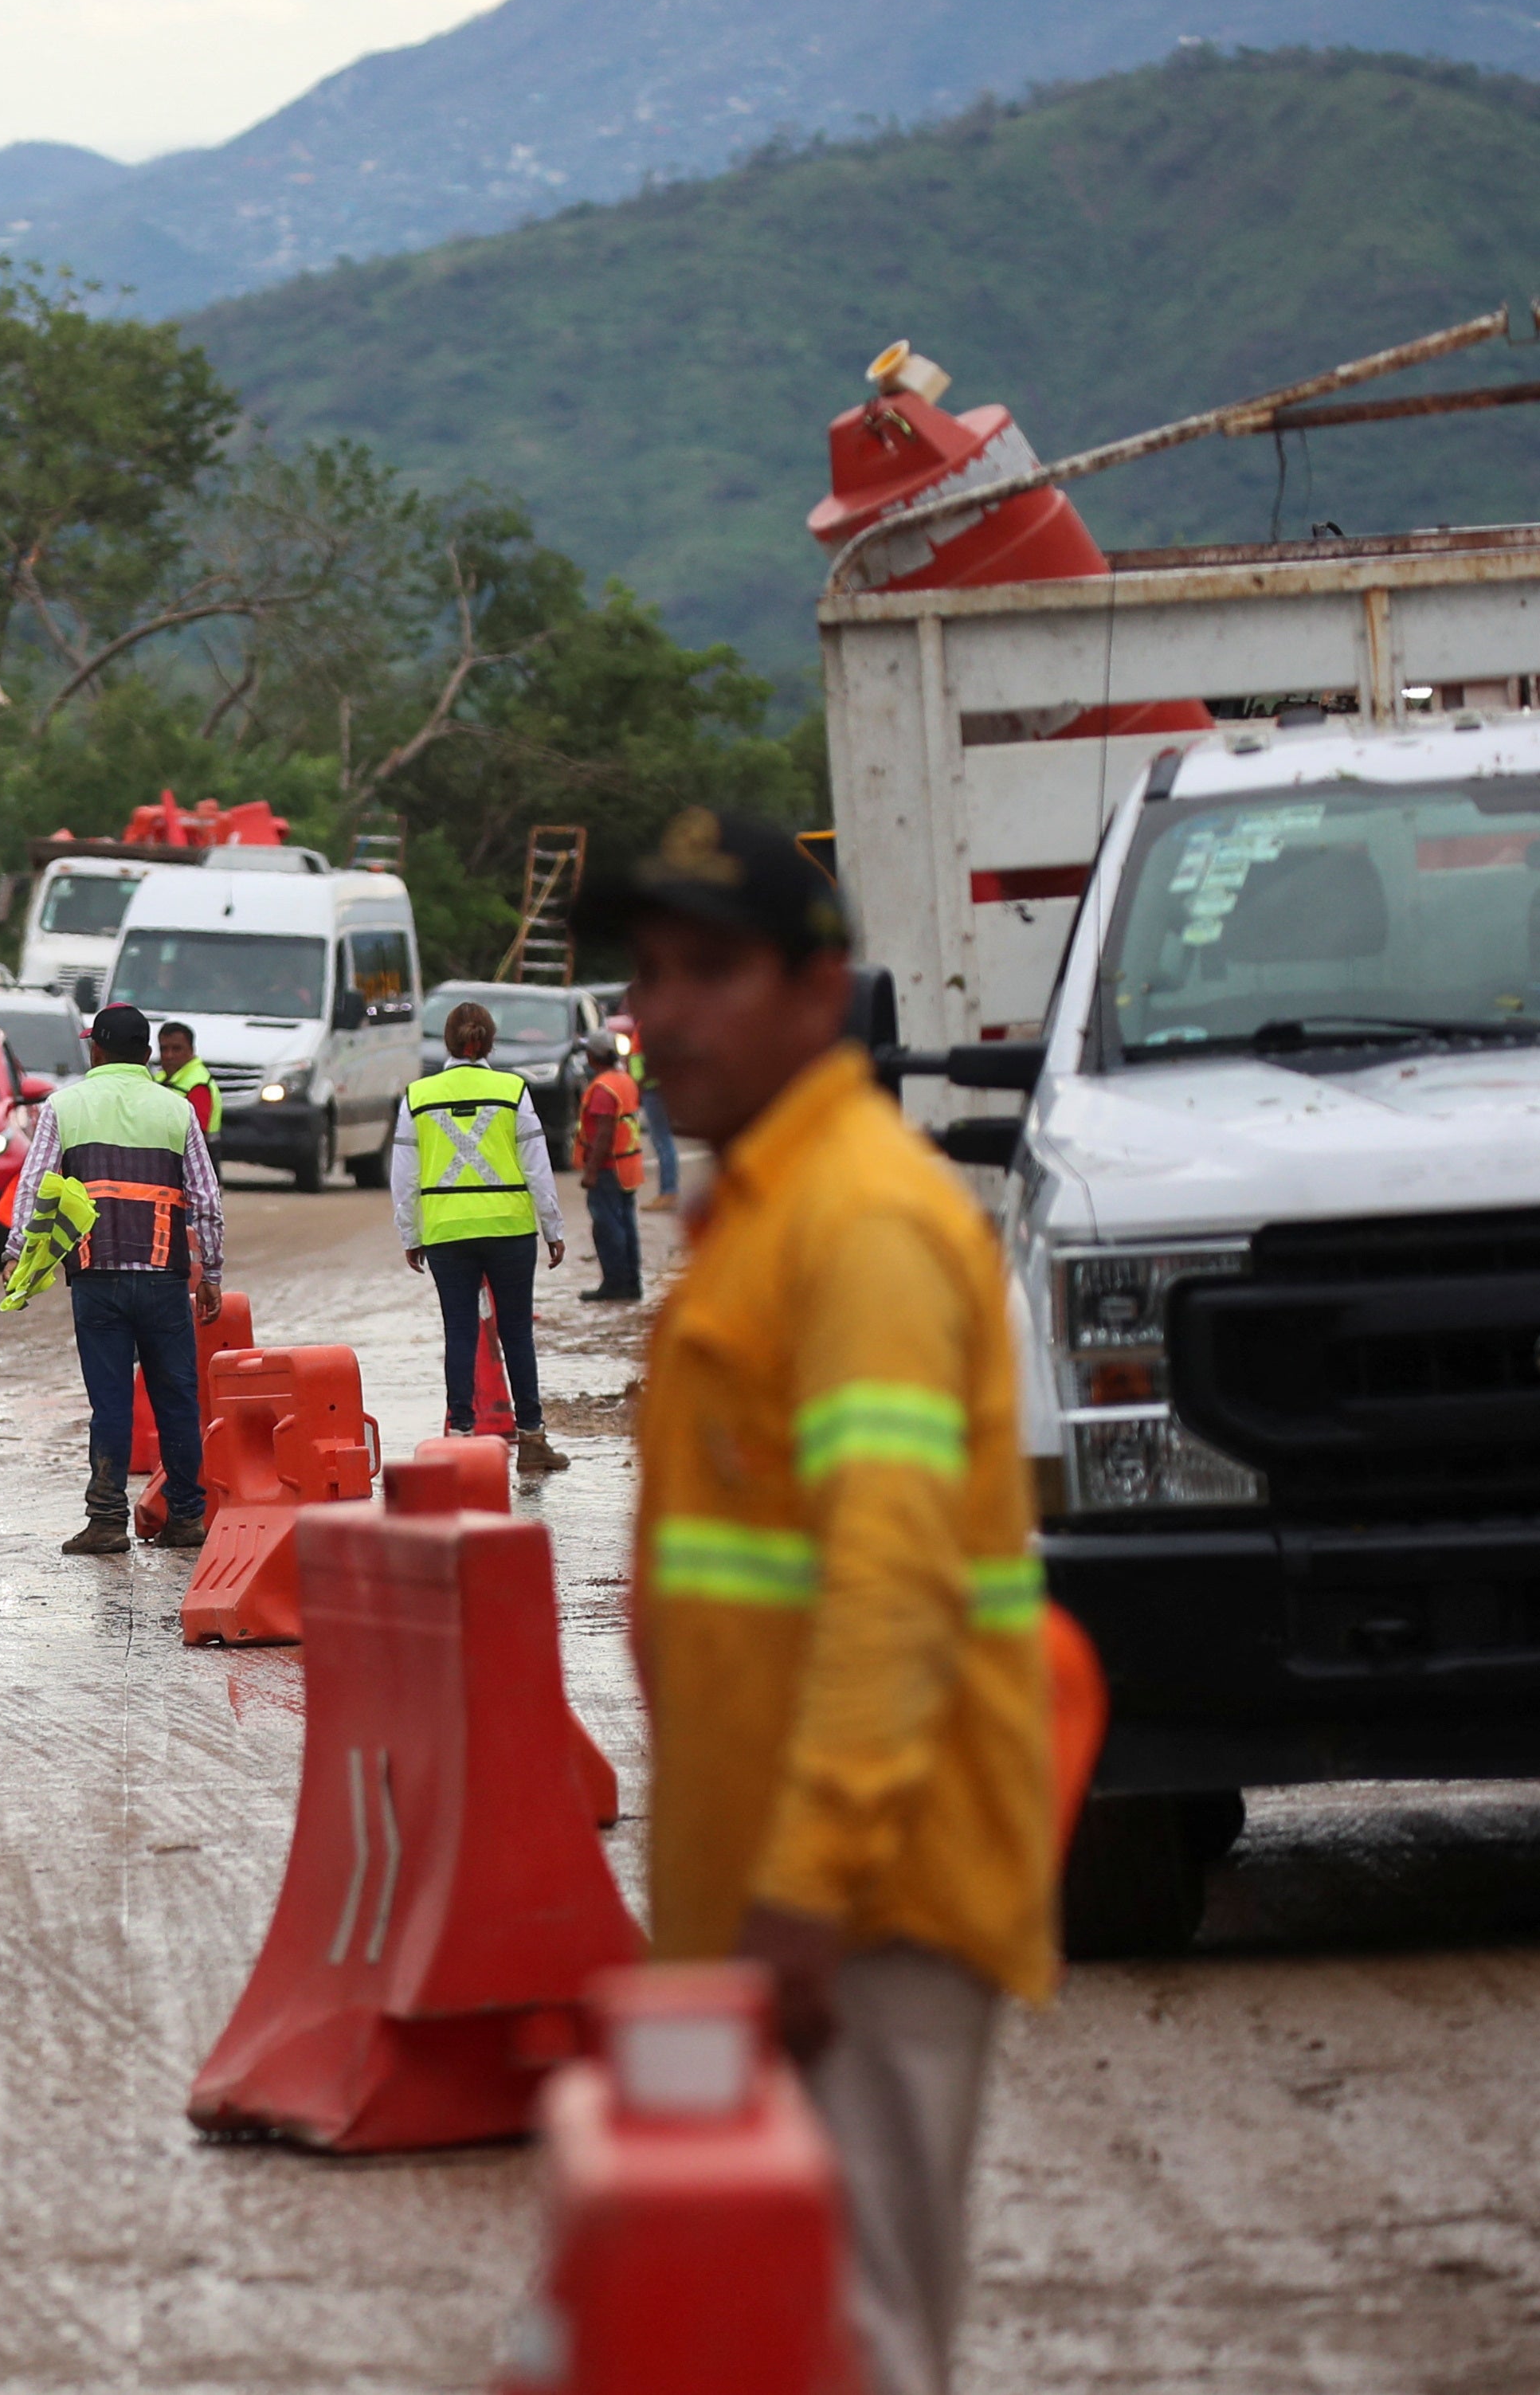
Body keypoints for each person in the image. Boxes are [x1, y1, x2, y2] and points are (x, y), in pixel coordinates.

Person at [621, 804, 1054, 2395]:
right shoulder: (757, 1212)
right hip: (764, 1897)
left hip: (854, 1904)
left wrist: (798, 1887)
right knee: (762, 2330)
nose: (662, 1011)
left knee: (843, 2338)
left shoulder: (858, 1223)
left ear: (820, 994)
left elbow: (891, 1583)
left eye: (711, 969)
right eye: (648, 970)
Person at [1, 1002, 226, 1556]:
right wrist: (212, 1272)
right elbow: (206, 1200)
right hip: (162, 1278)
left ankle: (105, 1520)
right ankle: (187, 1517)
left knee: (109, 1403)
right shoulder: (176, 1110)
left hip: (96, 1278)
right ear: (147, 1054)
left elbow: (33, 1187)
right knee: (176, 1398)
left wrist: (16, 1254)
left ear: (94, 1050)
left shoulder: (64, 1107)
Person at [393, 1002, 567, 1472]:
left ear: (448, 1043)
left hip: (447, 1233)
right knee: (517, 1334)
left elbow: (404, 1177)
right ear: (489, 1043)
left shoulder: (419, 1095)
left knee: (461, 1333)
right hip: (509, 1230)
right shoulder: (512, 1090)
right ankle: (532, 1440)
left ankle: (462, 1439)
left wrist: (411, 1233)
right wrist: (552, 1227)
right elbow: (537, 1167)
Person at [574, 1033, 645, 1303]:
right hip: (627, 1166)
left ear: (594, 1057)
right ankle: (631, 1284)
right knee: (626, 1225)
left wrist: (590, 1171)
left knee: (608, 1228)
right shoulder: (623, 1080)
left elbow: (603, 1133)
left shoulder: (603, 1088)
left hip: (607, 1168)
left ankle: (615, 1284)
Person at [616, 1010, 682, 1208]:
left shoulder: (650, 1026)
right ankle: (668, 1192)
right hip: (650, 1089)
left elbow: (655, 1058)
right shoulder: (646, 1024)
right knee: (660, 1139)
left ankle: (668, 1192)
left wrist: (642, 1082)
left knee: (662, 1140)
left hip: (653, 1089)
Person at [154, 1021, 219, 1135]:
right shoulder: (159, 1078)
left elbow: (197, 1134)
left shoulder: (198, 1085)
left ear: (191, 1050)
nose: (169, 1055)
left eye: (177, 1049)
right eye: (164, 1049)